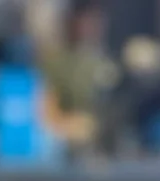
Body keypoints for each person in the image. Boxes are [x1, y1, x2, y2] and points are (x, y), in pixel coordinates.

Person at [41, 0, 114, 146]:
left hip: (107, 146)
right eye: (86, 19)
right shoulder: (55, 63)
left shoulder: (109, 61)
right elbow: (46, 111)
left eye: (97, 19)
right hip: (64, 145)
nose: (93, 25)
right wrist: (71, 124)